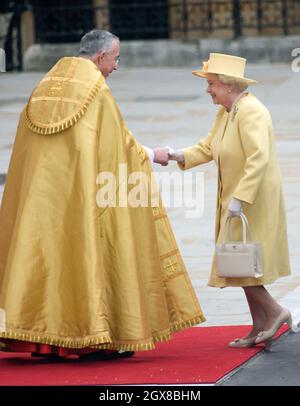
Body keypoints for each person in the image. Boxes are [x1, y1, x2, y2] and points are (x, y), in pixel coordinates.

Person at [0, 30, 205, 359]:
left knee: (53, 262)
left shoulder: (45, 85)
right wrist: (153, 155)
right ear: (100, 58)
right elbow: (118, 146)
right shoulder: (96, 90)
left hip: (43, 199)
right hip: (82, 199)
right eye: (116, 59)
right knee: (87, 259)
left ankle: (48, 340)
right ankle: (94, 340)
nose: (116, 67)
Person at [169, 53, 292, 348]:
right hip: (236, 197)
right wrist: (177, 155)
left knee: (240, 262)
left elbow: (258, 158)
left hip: (253, 198)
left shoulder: (252, 111)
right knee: (238, 262)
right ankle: (259, 324)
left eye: (211, 83)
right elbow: (208, 147)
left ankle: (276, 312)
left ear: (227, 84)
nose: (208, 90)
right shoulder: (226, 111)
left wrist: (240, 197)